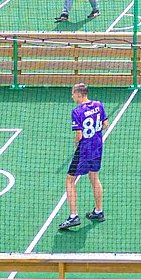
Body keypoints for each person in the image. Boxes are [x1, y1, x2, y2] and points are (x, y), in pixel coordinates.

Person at [59, 82, 107, 230]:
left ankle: (73, 216)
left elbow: (79, 135)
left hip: (84, 150)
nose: (72, 96)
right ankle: (98, 211)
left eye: (73, 93)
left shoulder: (77, 111)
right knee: (94, 177)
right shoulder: (98, 105)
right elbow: (105, 124)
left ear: (79, 94)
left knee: (69, 180)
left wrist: (76, 144)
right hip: (97, 147)